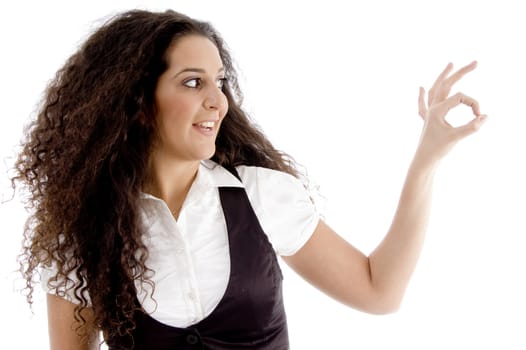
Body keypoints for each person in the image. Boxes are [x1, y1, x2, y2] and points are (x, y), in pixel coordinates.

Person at [12, 8, 487, 350]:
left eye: (220, 82)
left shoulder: (261, 196)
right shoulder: (84, 232)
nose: (218, 101)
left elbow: (379, 292)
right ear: (137, 104)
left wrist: (427, 160)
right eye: (193, 82)